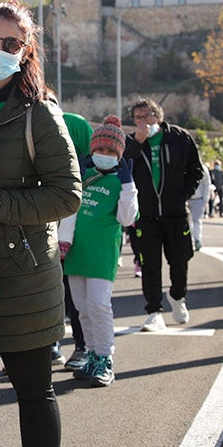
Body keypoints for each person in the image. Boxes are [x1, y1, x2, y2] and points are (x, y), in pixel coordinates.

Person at [0, 0, 81, 447]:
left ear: (26, 52)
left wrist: (0, 203)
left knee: (33, 389)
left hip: (23, 276)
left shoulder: (39, 113)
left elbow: (68, 194)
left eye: (11, 44)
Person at [58, 116, 139, 387]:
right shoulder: (84, 177)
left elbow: (127, 219)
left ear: (119, 154)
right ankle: (91, 353)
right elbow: (69, 211)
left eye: (110, 151)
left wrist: (128, 188)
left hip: (102, 254)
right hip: (76, 251)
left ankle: (105, 358)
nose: (104, 155)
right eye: (99, 150)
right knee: (81, 308)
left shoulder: (121, 182)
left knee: (99, 305)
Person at [124, 97, 203, 331]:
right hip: (146, 217)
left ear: (158, 116)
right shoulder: (131, 142)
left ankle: (178, 298)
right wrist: (137, 144)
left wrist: (182, 195)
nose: (143, 121)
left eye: (147, 116)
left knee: (180, 261)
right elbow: (123, 169)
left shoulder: (179, 138)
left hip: (176, 214)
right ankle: (154, 311)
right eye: (138, 118)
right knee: (149, 265)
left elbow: (195, 170)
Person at [59, 112, 94, 371]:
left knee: (75, 297)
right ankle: (49, 346)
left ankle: (83, 346)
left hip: (75, 234)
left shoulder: (77, 125)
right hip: (41, 228)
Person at [188, 162, 211, 252]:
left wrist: (205, 199)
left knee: (196, 221)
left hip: (198, 199)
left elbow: (207, 184)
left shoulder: (203, 169)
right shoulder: (184, 164)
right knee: (187, 222)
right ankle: (189, 241)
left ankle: (197, 240)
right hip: (187, 198)